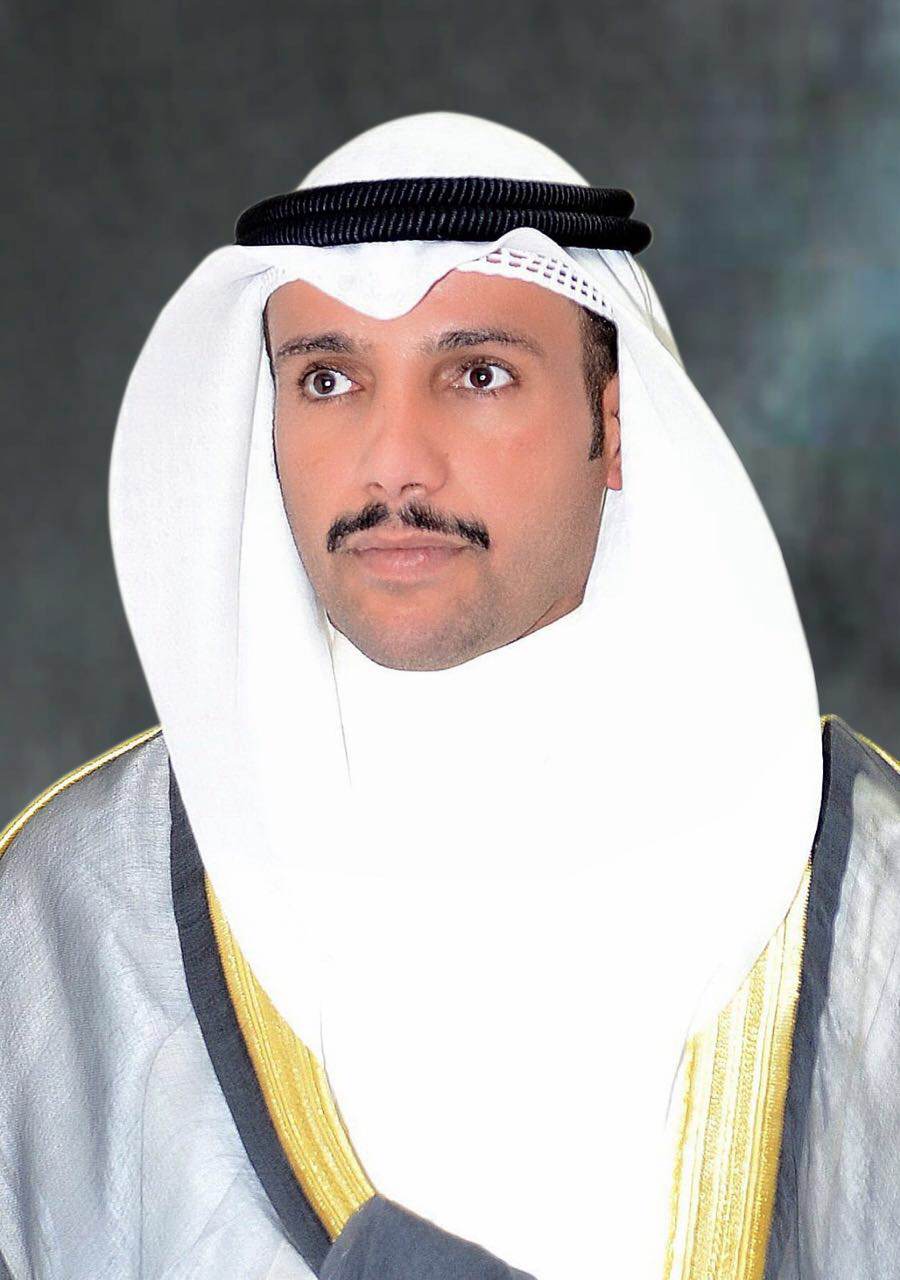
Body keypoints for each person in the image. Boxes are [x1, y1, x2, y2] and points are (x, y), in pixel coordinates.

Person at [0, 111, 896, 1280]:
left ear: (614, 421)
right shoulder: (74, 913)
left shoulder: (863, 892)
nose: (393, 463)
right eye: (329, 379)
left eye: (477, 374)